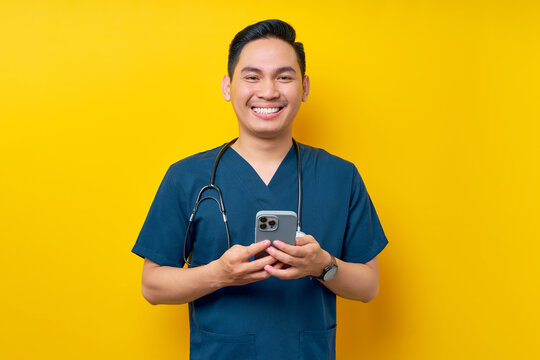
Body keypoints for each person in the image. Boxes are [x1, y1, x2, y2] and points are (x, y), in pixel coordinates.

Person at [132, 19, 388, 360]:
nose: (268, 91)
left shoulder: (340, 176)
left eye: (284, 76)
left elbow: (369, 286)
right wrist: (218, 274)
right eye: (252, 77)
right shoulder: (187, 177)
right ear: (227, 86)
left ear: (305, 87)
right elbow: (152, 286)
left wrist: (323, 265)